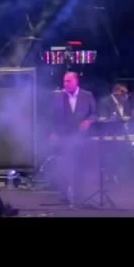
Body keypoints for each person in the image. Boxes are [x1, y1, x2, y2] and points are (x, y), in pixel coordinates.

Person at [48, 71, 97, 204]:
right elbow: (52, 117)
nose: (65, 84)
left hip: (81, 137)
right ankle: (64, 195)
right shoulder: (58, 96)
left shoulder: (87, 95)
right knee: (64, 166)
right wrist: (53, 132)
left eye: (68, 81)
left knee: (79, 166)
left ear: (76, 81)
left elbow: (94, 114)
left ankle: (79, 194)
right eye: (64, 81)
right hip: (63, 136)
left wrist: (88, 121)